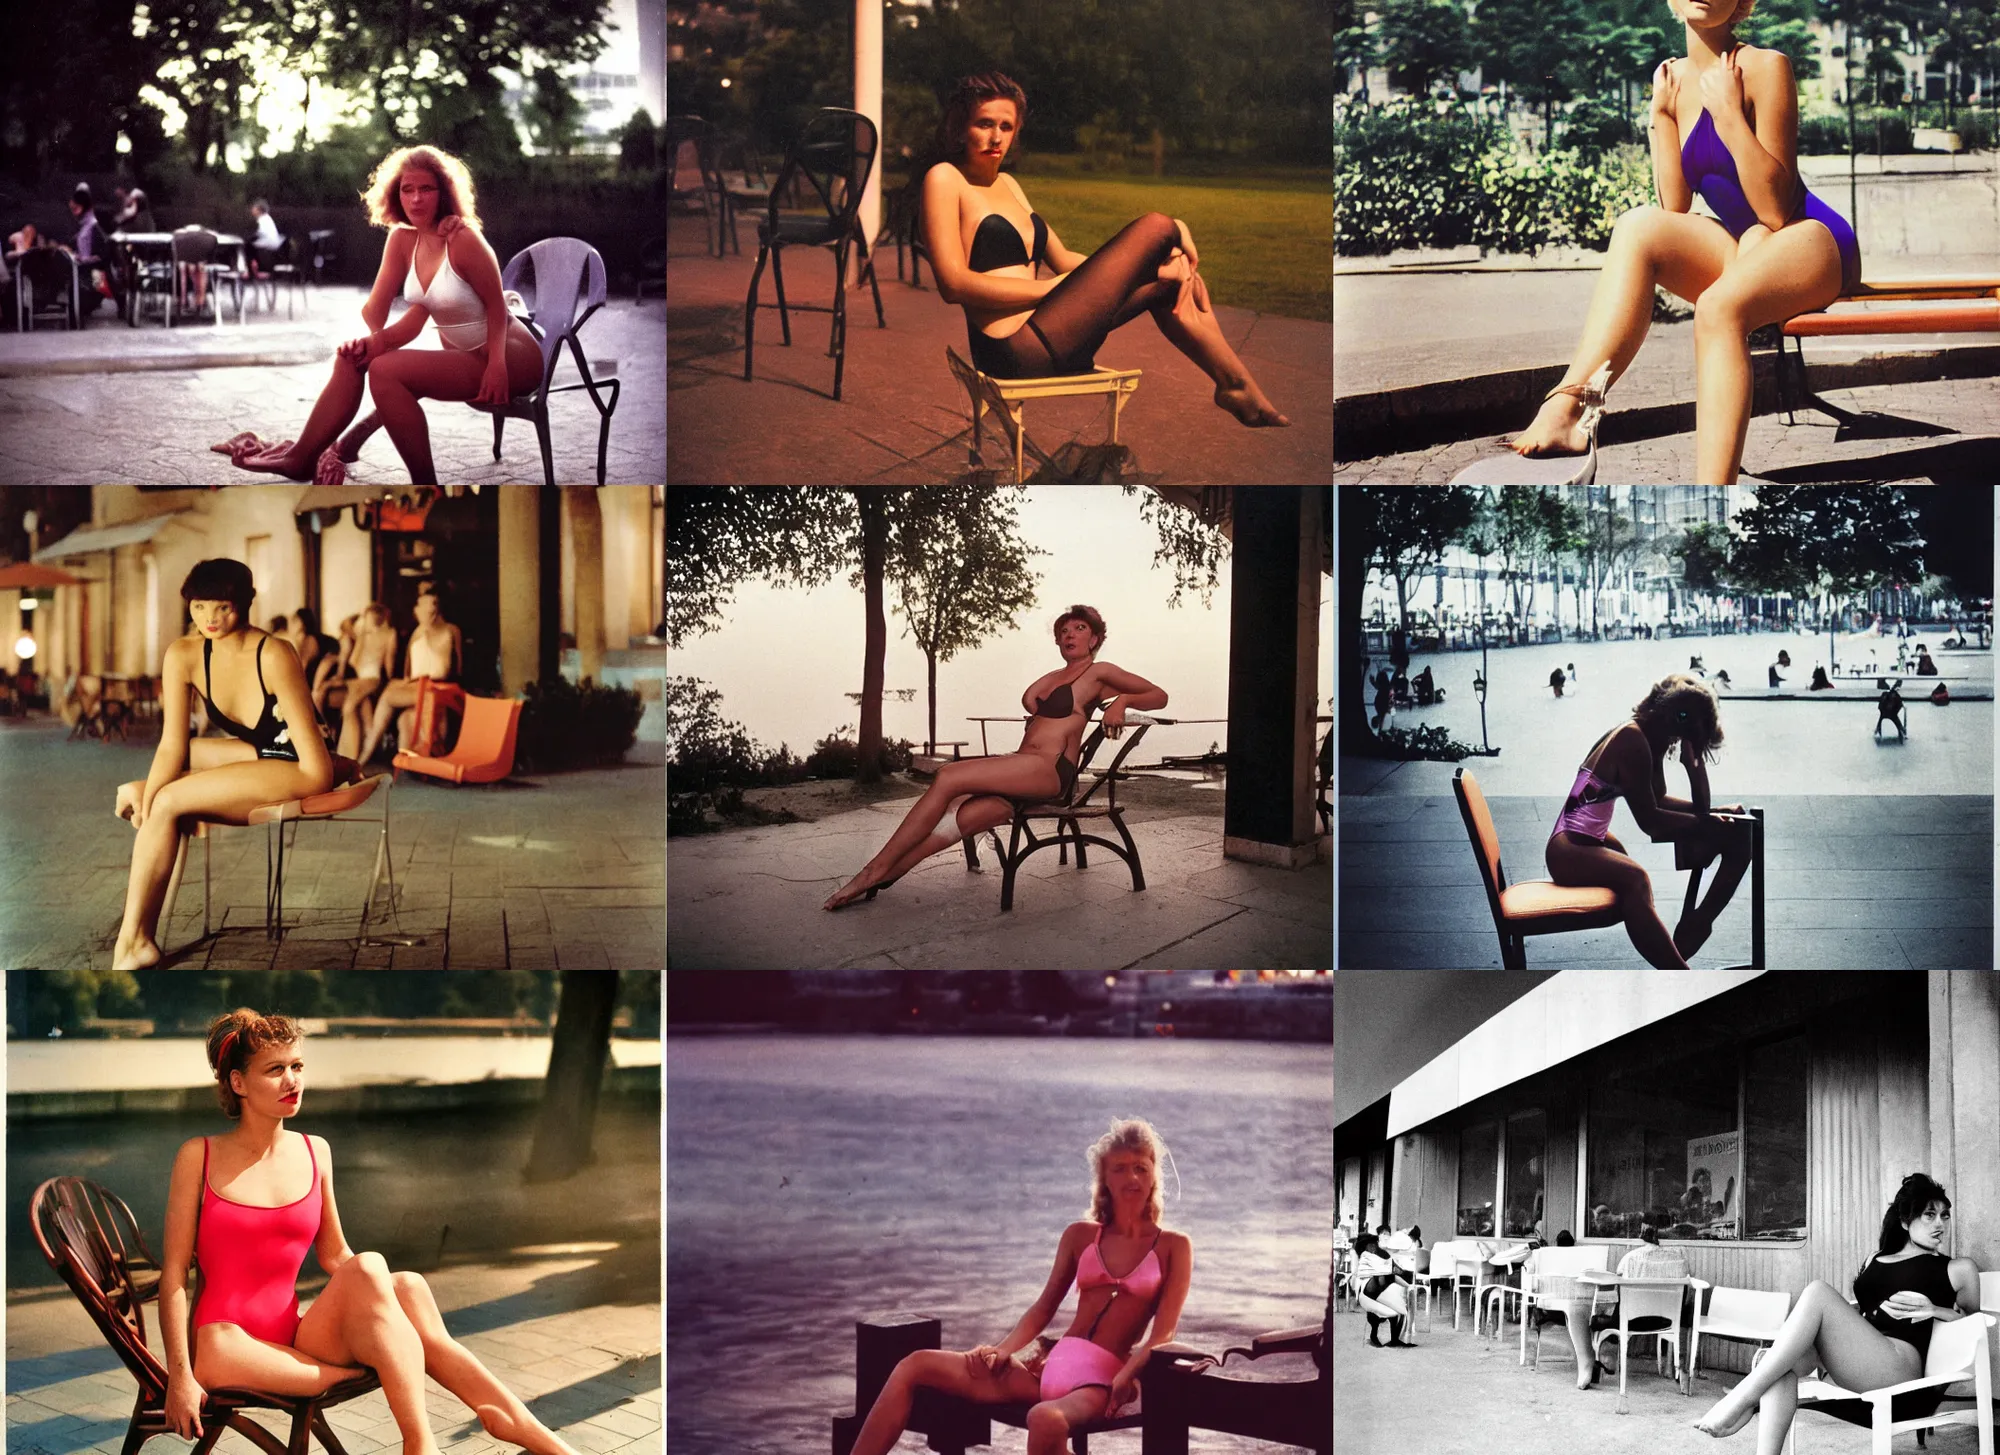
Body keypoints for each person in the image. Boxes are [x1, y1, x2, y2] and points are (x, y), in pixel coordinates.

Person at [158, 1008, 583, 1455]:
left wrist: (380, 1289)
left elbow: (335, 1254)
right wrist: (179, 1377)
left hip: (299, 1339)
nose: (293, 1081)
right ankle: (420, 1428)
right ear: (238, 1083)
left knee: (404, 1285)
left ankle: (511, 1431)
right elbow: (173, 1277)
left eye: (297, 1066)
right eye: (276, 1070)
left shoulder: (314, 1151)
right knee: (375, 1284)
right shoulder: (198, 1157)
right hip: (226, 1346)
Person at [1504, 0, 1859, 484]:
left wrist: (1729, 115)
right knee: (1637, 225)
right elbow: (1674, 205)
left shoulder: (1765, 66)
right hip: (1746, 246)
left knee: (1717, 307)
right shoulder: (1671, 80)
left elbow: (1774, 210)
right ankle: (1573, 404)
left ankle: (1714, 495)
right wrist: (1660, 112)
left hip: (1809, 239)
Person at [918, 72, 1288, 427]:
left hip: (1056, 334)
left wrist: (1152, 267)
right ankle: (1176, 230)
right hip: (1014, 350)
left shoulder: (1010, 184)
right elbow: (954, 285)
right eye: (984, 124)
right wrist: (1052, 289)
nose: (996, 137)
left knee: (1174, 283)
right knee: (1158, 226)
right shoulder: (945, 179)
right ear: (961, 127)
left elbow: (1065, 261)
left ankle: (1233, 384)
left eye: (1006, 127)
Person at [846, 1119, 1192, 1455]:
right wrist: (1004, 1350)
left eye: (1140, 1167)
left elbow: (1163, 1335)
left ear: (1153, 1176)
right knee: (915, 1364)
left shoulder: (1173, 1246)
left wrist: (1127, 1376)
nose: (1131, 1177)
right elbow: (1043, 1308)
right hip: (1044, 1376)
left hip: (1100, 1384)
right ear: (1104, 1179)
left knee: (1044, 1419)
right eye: (1120, 1168)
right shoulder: (1080, 1236)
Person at [213, 145, 542, 484]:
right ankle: (300, 458)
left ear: (443, 193)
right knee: (351, 359)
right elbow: (392, 316)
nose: (416, 199)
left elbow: (497, 308)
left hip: (510, 357)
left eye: (426, 188)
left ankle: (424, 485)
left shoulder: (462, 239)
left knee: (386, 371)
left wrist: (497, 366)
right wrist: (371, 340)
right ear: (395, 195)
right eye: (407, 189)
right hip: (467, 354)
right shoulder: (403, 240)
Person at [824, 605, 1167, 909]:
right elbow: (1035, 705)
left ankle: (871, 870)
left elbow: (1158, 695)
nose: (1069, 635)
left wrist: (1121, 703)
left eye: (1079, 629)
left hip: (1050, 771)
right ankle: (888, 874)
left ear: (1094, 639)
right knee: (965, 816)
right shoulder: (1055, 676)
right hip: (1022, 771)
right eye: (1063, 631)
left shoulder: (1099, 672)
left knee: (950, 777)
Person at [106, 560, 342, 970]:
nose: (210, 618)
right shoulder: (184, 654)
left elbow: (313, 761)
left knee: (168, 802)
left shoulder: (274, 654)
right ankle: (144, 793)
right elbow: (172, 744)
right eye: (199, 607)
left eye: (222, 607)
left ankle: (133, 943)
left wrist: (156, 799)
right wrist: (150, 801)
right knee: (172, 779)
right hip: (257, 751)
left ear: (245, 603)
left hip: (302, 762)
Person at [1694, 1174, 1980, 1446]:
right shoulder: (1877, 1258)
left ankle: (1742, 1397)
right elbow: (1861, 1311)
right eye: (1930, 1215)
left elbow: (1973, 1323)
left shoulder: (1957, 1268)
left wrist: (1935, 1310)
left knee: (1818, 1292)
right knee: (1778, 1364)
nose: (1940, 1224)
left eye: (1945, 1215)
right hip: (1859, 1359)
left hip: (1899, 1368)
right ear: (1905, 1221)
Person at [1547, 674, 1754, 967]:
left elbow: (1662, 802)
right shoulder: (1632, 740)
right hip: (1569, 850)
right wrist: (1706, 818)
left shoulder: (1644, 737)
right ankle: (1680, 970)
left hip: (1585, 842)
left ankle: (1696, 926)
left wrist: (1709, 802)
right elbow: (1650, 821)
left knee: (1739, 827)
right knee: (1636, 879)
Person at [355, 589, 463, 765]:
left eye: (432, 603)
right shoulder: (417, 632)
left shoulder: (451, 630)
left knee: (388, 697)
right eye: (423, 604)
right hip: (417, 685)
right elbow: (408, 670)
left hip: (439, 687)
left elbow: (458, 667)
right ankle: (405, 767)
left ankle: (367, 753)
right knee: (405, 718)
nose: (427, 608)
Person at [336, 605, 397, 760]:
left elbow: (389, 663)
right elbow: (354, 661)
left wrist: (390, 681)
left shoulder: (389, 634)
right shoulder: (365, 635)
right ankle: (355, 753)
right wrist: (360, 639)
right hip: (362, 679)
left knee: (349, 707)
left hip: (373, 678)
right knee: (361, 707)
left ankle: (350, 755)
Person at [249, 199, 283, 276]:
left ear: (259, 210)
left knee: (247, 247)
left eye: (254, 208)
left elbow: (259, 233)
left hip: (267, 246)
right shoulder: (267, 218)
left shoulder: (263, 220)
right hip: (271, 245)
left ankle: (250, 271)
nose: (252, 210)